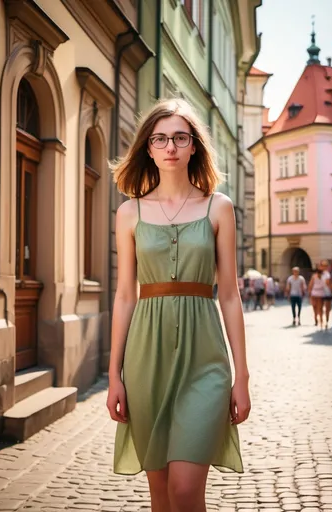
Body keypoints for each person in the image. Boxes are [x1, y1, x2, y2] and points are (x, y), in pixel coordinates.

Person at [107, 98, 249, 512]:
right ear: (148, 148)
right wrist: (115, 375)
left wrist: (241, 376)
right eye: (161, 138)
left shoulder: (218, 207)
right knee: (161, 492)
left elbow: (229, 295)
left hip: (205, 359)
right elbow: (124, 295)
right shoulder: (129, 212)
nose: (170, 146)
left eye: (180, 138)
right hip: (145, 360)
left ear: (193, 147)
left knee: (186, 491)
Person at [308, 265, 329, 329]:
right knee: (314, 307)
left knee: (320, 308)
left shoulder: (323, 277)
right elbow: (310, 285)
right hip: (314, 294)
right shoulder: (314, 277)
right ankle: (315, 318)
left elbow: (326, 285)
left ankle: (321, 320)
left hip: (321, 294)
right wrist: (310, 294)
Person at [320, 259, 332, 328]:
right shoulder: (318, 274)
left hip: (327, 293)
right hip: (319, 293)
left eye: (325, 265)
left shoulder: (327, 274)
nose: (324, 267)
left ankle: (326, 321)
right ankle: (321, 321)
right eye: (323, 265)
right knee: (320, 308)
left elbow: (328, 283)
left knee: (327, 308)